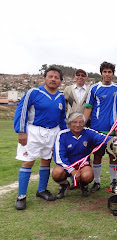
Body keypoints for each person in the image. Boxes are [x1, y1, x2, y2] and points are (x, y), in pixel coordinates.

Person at [13, 66, 67, 210]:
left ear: (60, 81)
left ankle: (41, 190)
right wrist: (21, 131)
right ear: (45, 78)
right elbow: (22, 111)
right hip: (33, 131)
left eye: (56, 78)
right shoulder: (33, 92)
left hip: (53, 132)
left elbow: (62, 119)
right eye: (50, 76)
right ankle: (21, 196)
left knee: (46, 161)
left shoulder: (61, 97)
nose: (53, 79)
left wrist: (64, 134)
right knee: (28, 162)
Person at [52, 113, 113, 198]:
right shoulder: (62, 135)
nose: (78, 125)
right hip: (68, 164)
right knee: (56, 173)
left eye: (81, 122)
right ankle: (64, 185)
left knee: (88, 176)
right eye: (75, 122)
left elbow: (103, 138)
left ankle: (83, 185)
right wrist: (72, 170)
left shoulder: (88, 132)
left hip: (83, 164)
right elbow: (59, 157)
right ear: (69, 124)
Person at [84, 61, 117, 192]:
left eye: (109, 72)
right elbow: (88, 107)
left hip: (112, 130)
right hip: (97, 129)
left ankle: (113, 182)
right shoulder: (94, 88)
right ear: (101, 73)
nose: (107, 74)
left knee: (113, 156)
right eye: (104, 72)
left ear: (113, 74)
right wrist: (83, 124)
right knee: (97, 156)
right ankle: (97, 182)